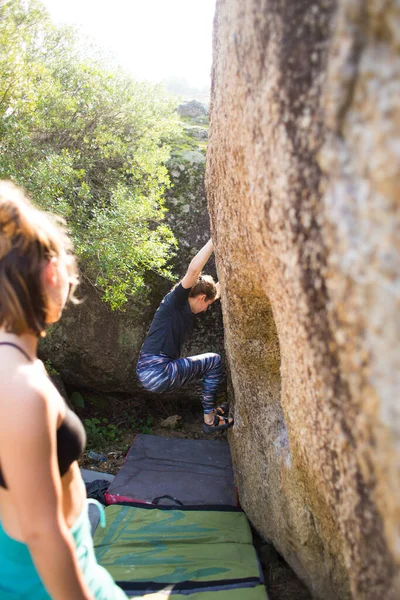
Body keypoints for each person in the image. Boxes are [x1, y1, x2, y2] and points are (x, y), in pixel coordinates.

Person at [0, 181, 128, 600]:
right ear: (52, 272)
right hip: (45, 583)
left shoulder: (16, 366)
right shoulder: (19, 384)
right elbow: (41, 532)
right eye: (69, 266)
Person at [136, 239, 234, 434]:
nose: (207, 308)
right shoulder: (175, 301)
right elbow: (193, 271)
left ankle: (212, 412)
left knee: (206, 371)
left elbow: (214, 294)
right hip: (158, 371)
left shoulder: (187, 308)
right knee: (214, 361)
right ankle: (210, 420)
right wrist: (215, 239)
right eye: (207, 304)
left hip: (149, 372)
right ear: (199, 298)